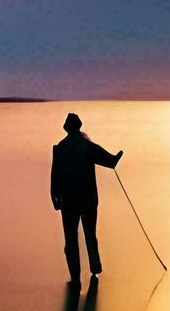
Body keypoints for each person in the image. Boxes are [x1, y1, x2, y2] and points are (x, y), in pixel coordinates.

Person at [50, 112, 122, 282]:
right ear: (79, 127)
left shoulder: (60, 148)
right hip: (88, 200)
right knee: (90, 234)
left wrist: (54, 197)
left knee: (71, 239)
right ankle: (95, 269)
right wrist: (118, 155)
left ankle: (75, 277)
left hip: (68, 201)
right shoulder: (87, 146)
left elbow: (54, 176)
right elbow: (111, 161)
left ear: (66, 128)